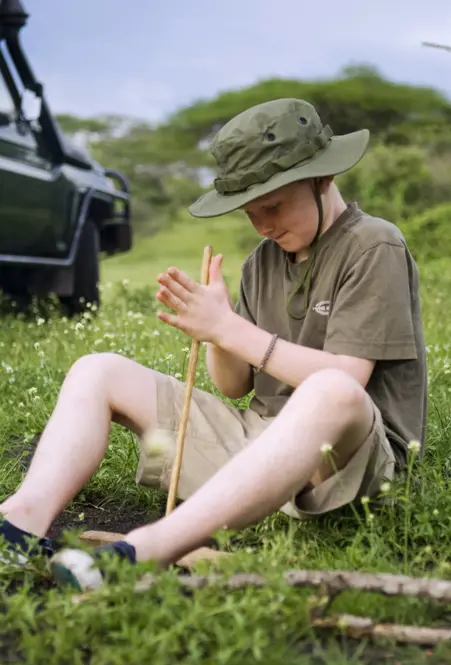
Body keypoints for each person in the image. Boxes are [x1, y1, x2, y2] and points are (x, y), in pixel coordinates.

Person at [0, 98, 427, 589]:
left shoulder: (374, 244)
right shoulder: (261, 262)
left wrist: (231, 329)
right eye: (250, 213)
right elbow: (232, 387)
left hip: (352, 468)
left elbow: (350, 378)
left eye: (273, 206)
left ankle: (146, 549)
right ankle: (21, 525)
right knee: (97, 369)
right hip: (260, 447)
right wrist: (216, 332)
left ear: (322, 179)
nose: (263, 225)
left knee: (331, 388)